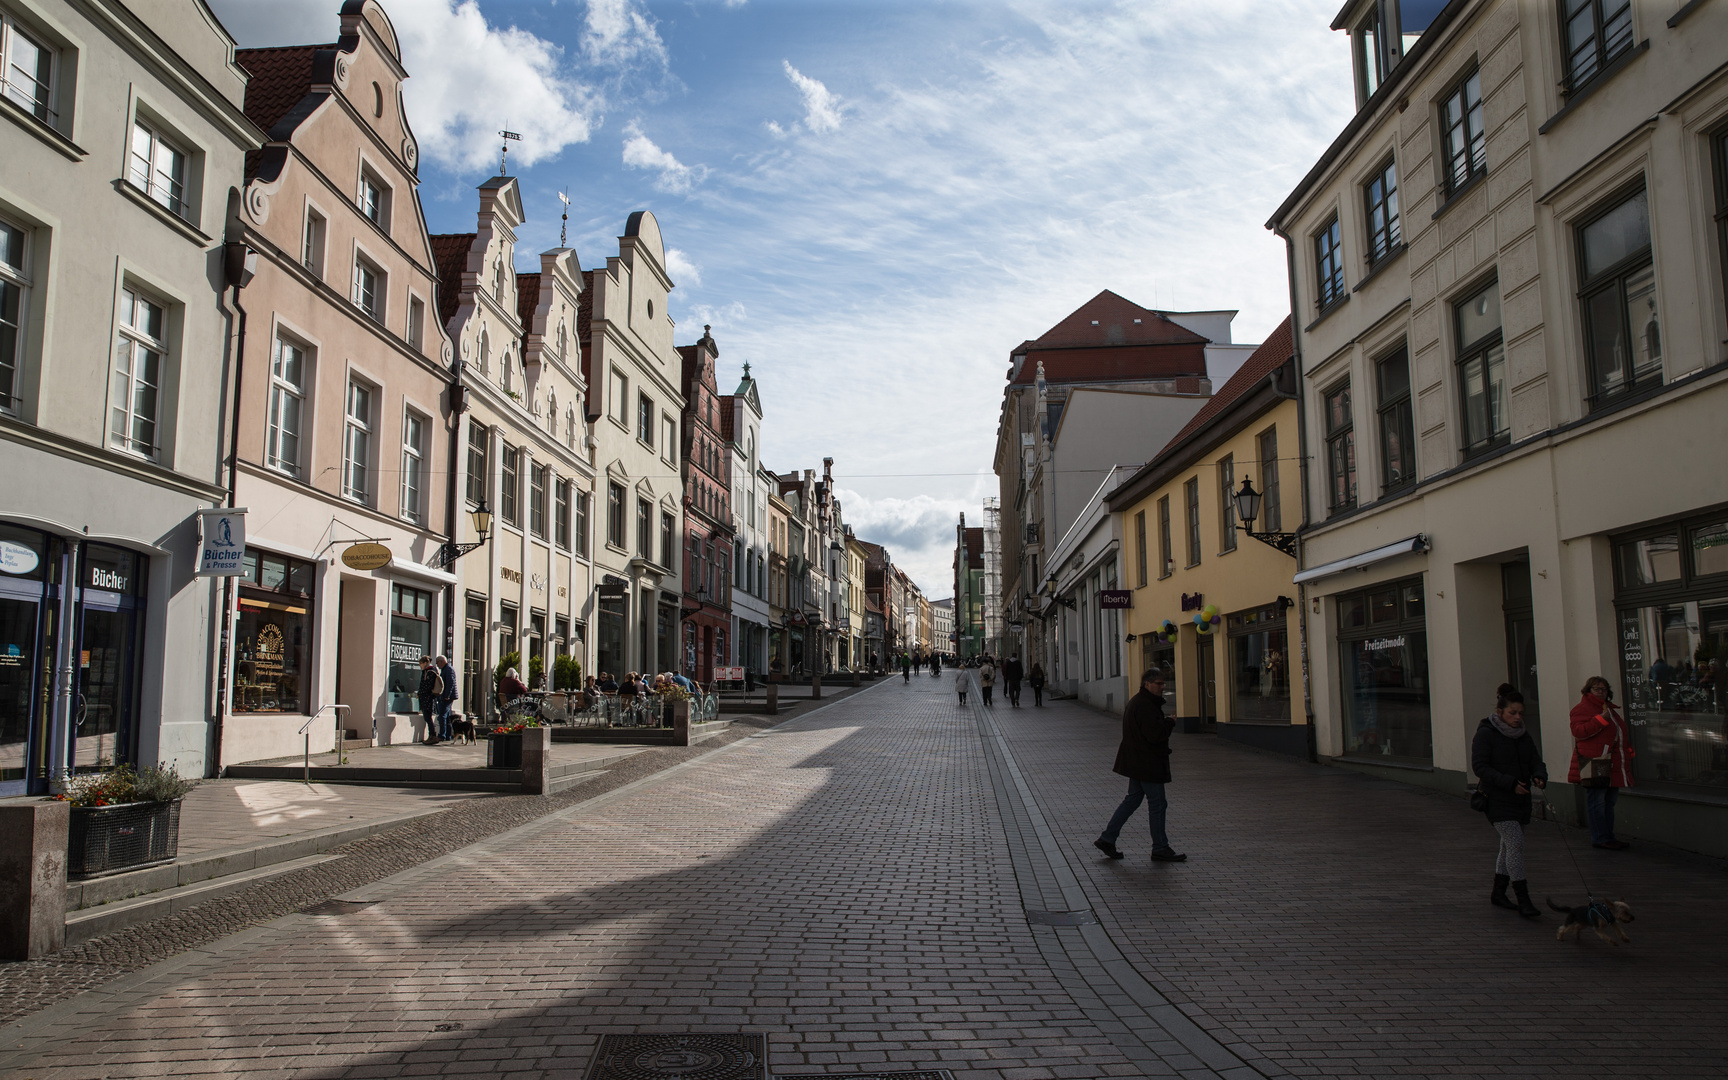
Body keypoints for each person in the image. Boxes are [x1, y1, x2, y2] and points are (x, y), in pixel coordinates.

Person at [1472, 683, 1548, 918]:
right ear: (1500, 712)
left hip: (1520, 800)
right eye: (1512, 713)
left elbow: (1536, 760)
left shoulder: (1523, 735)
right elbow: (1480, 767)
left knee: (1508, 847)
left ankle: (1498, 893)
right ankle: (1523, 899)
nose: (1517, 718)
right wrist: (1509, 783)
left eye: (1520, 713)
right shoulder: (1486, 733)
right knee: (1515, 844)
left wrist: (1539, 775)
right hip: (1497, 799)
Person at [1095, 669, 1184, 862]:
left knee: (1133, 799)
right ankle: (1160, 847)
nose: (1163, 687)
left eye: (1163, 683)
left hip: (1137, 761)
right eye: (1159, 683)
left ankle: (1107, 838)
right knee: (1158, 803)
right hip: (1147, 763)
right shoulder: (1145, 705)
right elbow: (1155, 734)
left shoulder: (1140, 702)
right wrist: (1169, 723)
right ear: (1147, 684)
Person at [1569, 675, 1634, 850]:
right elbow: (1579, 731)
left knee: (1609, 802)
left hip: (1611, 763)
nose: (1601, 692)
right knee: (1597, 802)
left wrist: (1627, 750)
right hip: (1596, 763)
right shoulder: (1582, 708)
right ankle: (1600, 837)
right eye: (1597, 689)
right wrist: (1600, 720)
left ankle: (1609, 836)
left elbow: (1618, 733)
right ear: (1588, 691)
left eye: (1604, 689)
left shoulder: (1609, 709)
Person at [417, 657, 443, 745]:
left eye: (420, 664)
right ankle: (431, 735)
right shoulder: (427, 671)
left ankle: (432, 735)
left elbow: (428, 686)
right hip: (426, 698)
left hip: (428, 698)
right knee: (427, 717)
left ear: (425, 663)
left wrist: (421, 692)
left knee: (428, 717)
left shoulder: (430, 672)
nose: (420, 666)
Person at [435, 654, 458, 742]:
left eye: (437, 663)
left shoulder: (448, 669)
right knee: (447, 716)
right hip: (446, 696)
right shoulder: (446, 669)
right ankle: (448, 735)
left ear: (441, 661)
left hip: (446, 697)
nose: (437, 665)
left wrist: (447, 695)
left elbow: (450, 683)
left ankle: (442, 735)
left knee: (442, 716)